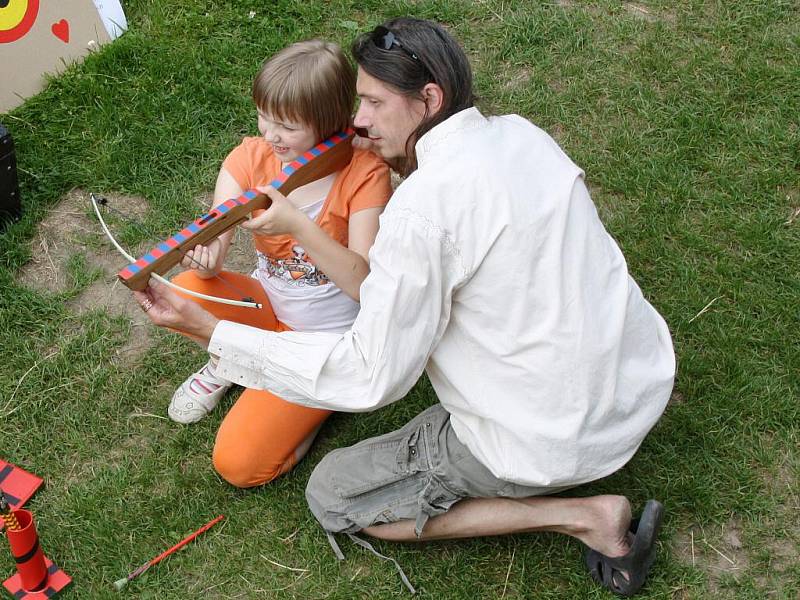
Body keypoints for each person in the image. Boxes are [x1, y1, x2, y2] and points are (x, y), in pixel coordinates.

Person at [134, 18, 675, 597]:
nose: (357, 120)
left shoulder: (418, 217)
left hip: (547, 434)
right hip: (634, 381)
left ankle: (585, 516)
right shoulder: (521, 135)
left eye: (370, 102)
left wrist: (214, 332)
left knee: (333, 494)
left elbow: (371, 375)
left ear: (429, 100)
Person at [165, 39, 393, 488]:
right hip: (267, 311)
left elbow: (366, 286)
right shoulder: (253, 157)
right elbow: (214, 238)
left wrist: (299, 226)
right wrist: (209, 259)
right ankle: (236, 363)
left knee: (240, 465)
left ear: (327, 122)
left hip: (327, 345)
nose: (270, 135)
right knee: (185, 288)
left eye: (286, 126)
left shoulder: (365, 174)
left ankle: (316, 401)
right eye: (264, 116)